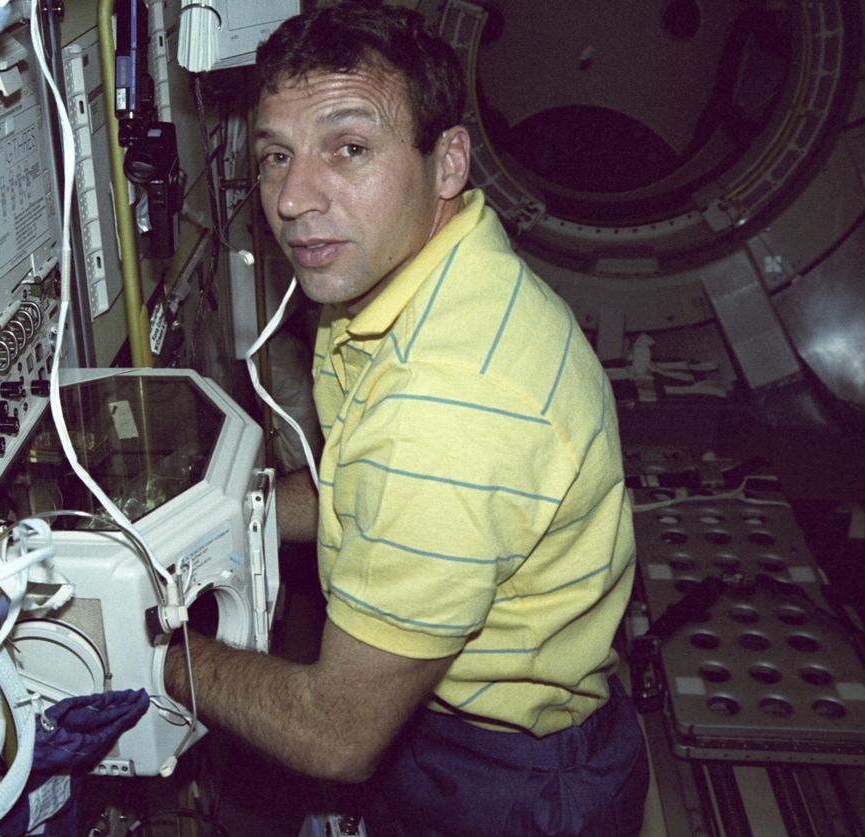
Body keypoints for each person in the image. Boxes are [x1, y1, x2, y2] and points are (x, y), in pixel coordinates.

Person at [163, 3, 649, 834]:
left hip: (512, 786)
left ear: (448, 160)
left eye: (349, 149)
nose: (292, 197)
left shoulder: (449, 400)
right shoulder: (415, 281)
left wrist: (150, 656)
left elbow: (336, 732)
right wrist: (209, 523)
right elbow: (363, 493)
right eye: (276, 155)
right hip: (449, 732)